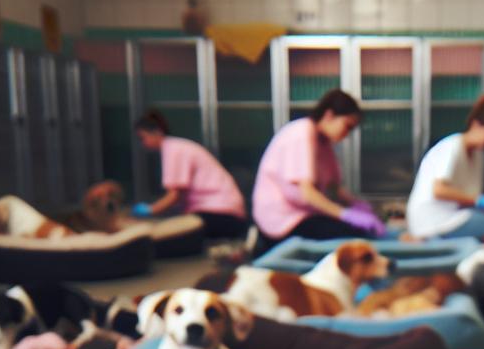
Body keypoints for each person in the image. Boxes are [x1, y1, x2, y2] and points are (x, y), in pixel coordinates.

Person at [251, 89, 384, 247]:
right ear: (329, 115)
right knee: (353, 238)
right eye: (347, 126)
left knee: (358, 232)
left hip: (302, 215)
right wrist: (345, 214)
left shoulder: (323, 142)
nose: (347, 134)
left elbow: (333, 187)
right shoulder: (300, 133)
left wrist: (358, 205)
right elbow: (307, 194)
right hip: (282, 221)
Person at [405, 93, 484, 239]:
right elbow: (439, 190)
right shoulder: (452, 146)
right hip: (430, 223)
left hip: (454, 216)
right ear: (476, 125)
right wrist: (479, 200)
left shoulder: (478, 155)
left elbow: (468, 198)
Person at [133, 111, 248, 239]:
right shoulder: (177, 146)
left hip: (222, 214)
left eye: (143, 138)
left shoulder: (173, 149)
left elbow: (174, 196)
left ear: (157, 132)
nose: (143, 143)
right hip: (222, 212)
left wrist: (150, 210)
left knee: (167, 237)